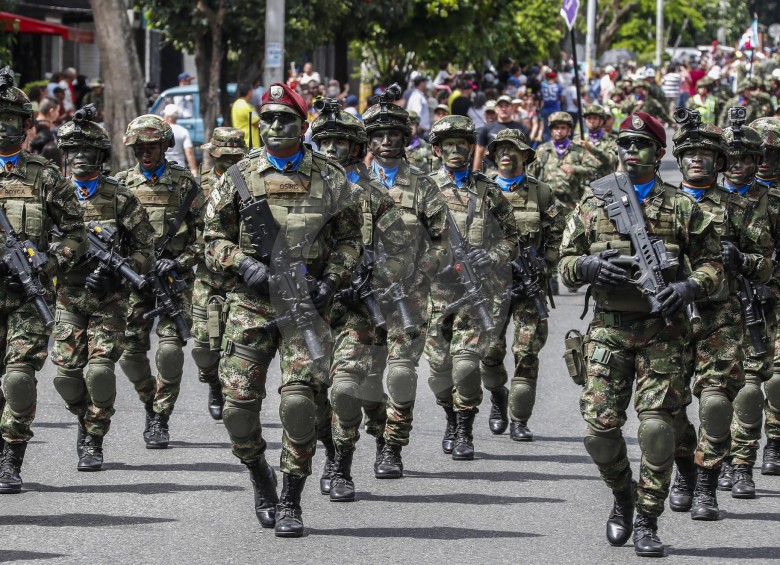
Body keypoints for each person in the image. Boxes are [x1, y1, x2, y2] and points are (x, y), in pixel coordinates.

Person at [559, 111, 723, 557]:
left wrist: (689, 285)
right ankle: (623, 496)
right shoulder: (593, 204)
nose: (632, 151)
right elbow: (565, 263)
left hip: (662, 334)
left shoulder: (683, 207)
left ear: (660, 151)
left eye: (642, 144)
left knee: (656, 429)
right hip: (608, 334)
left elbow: (714, 263)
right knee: (598, 433)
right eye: (626, 144)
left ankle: (648, 518)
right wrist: (590, 266)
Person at [204, 83, 362, 537]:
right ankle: (259, 475)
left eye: (285, 118)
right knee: (237, 409)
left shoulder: (331, 177)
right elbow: (212, 238)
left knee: (299, 404)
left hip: (306, 306)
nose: (275, 125)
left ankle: (292, 500)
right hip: (252, 305)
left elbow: (350, 241)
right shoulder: (237, 177)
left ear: (303, 124)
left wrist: (331, 279)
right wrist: (245, 264)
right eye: (268, 118)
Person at [667, 111, 771, 521]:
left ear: (719, 162)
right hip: (668, 321)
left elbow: (765, 264)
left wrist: (741, 258)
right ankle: (684, 469)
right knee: (667, 408)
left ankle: (707, 484)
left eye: (706, 154)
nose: (697, 160)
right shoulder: (660, 204)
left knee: (715, 403)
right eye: (689, 153)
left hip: (721, 317)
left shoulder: (739, 207)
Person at [310, 102, 411, 499]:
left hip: (357, 307)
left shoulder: (374, 196)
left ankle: (341, 466)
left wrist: (372, 280)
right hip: (310, 306)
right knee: (313, 396)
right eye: (326, 141)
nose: (333, 149)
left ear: (355, 147)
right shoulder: (301, 188)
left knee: (347, 388)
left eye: (341, 142)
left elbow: (402, 251)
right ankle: (329, 447)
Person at [52, 110, 155, 471]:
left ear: (101, 156)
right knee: (65, 376)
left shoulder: (120, 197)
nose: (79, 156)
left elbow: (146, 248)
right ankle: (86, 417)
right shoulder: (55, 193)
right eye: (73, 150)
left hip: (109, 298)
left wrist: (119, 276)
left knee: (99, 371)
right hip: (67, 294)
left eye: (87, 149)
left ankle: (94, 437)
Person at [0, 67, 87, 493]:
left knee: (18, 378)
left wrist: (50, 263)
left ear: (26, 126)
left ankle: (11, 458)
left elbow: (75, 232)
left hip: (25, 296)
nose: (3, 125)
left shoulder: (46, 176)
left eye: (11, 118)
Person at [425, 115, 519, 460]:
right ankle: (451, 417)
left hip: (478, 290)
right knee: (438, 368)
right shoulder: (424, 190)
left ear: (470, 148)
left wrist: (491, 257)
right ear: (437, 150)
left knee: (465, 365)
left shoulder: (489, 191)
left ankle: (465, 430)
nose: (455, 150)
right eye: (447, 145)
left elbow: (512, 240)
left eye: (461, 144)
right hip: (435, 293)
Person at [363, 95, 448, 475]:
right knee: (362, 378)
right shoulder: (350, 183)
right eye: (378, 135)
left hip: (409, 298)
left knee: (400, 373)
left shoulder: (424, 186)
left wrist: (419, 269)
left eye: (393, 135)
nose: (386, 141)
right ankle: (379, 430)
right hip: (360, 298)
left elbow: (445, 243)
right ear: (367, 141)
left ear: (405, 139)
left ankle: (393, 446)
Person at [116, 114, 204, 450]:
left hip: (173, 281)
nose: (145, 152)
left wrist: (181, 262)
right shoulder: (122, 185)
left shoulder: (185, 185)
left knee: (169, 350)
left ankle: (160, 417)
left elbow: (208, 235)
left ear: (165, 145)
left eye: (151, 145)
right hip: (134, 281)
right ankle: (150, 401)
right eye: (139, 147)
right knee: (129, 354)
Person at [481, 128, 565, 441]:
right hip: (491, 286)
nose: (506, 154)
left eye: (513, 149)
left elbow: (558, 232)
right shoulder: (481, 192)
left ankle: (519, 419)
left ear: (525, 156)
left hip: (530, 285)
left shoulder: (541, 193)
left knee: (527, 351)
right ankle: (498, 395)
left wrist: (548, 260)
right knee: (489, 352)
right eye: (500, 149)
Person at [720, 117, 780, 494]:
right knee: (719, 390)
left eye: (748, 157)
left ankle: (743, 460)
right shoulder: (698, 200)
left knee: (759, 383)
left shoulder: (771, 203)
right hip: (714, 307)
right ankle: (718, 459)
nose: (740, 164)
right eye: (732, 157)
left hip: (764, 303)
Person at [191, 127, 246, 420]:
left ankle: (235, 394)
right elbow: (187, 229)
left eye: (235, 156)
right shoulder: (197, 186)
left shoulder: (250, 182)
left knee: (239, 342)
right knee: (203, 343)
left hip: (242, 275)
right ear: (212, 154)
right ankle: (213, 383)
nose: (229, 162)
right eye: (223, 156)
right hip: (207, 272)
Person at [528, 111, 600, 210]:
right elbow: (529, 175)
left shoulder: (579, 149)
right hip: (547, 205)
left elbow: (593, 171)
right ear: (551, 130)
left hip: (574, 204)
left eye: (563, 128)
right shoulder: (542, 150)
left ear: (569, 130)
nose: (559, 131)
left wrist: (575, 169)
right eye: (556, 128)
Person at [474, 95, 529, 173]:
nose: (504, 109)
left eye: (507, 106)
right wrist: (475, 175)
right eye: (501, 106)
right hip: (492, 172)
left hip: (516, 172)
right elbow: (479, 154)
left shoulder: (522, 128)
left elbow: (527, 153)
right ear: (496, 109)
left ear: (512, 108)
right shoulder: (487, 128)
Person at [579, 104, 619, 177]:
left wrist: (591, 149)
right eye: (589, 118)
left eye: (595, 118)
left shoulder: (612, 139)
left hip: (606, 183)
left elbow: (611, 160)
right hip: (584, 185)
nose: (591, 121)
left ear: (601, 121)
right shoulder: (578, 140)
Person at [162, 104, 198, 177]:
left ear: (167, 116)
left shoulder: (161, 131)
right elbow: (189, 152)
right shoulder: (183, 131)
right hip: (180, 168)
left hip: (163, 168)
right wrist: (193, 170)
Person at [231, 83, 261, 147]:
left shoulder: (236, 104)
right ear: (249, 92)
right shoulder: (248, 107)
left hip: (240, 141)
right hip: (250, 143)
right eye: (251, 91)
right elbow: (257, 123)